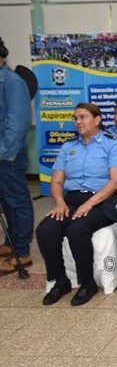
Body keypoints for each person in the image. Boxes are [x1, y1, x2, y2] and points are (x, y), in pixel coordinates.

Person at [36, 103, 117, 305]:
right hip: (72, 200)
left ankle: (87, 283)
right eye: (75, 118)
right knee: (45, 229)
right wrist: (60, 203)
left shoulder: (112, 144)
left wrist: (89, 204)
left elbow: (116, 181)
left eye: (83, 117)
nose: (78, 121)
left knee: (77, 229)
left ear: (97, 119)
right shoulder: (69, 147)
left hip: (102, 201)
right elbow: (56, 182)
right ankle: (60, 280)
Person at [0, 37, 34, 275]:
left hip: (8, 155)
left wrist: (3, 152)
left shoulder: (12, 81)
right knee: (6, 202)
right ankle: (9, 243)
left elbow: (18, 122)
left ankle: (22, 251)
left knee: (18, 201)